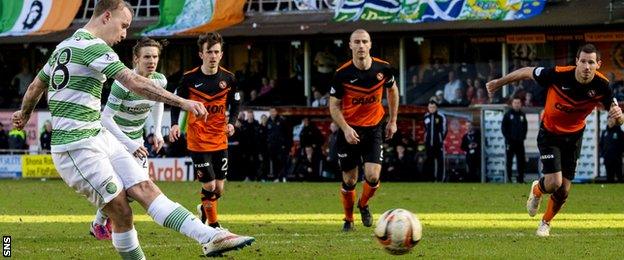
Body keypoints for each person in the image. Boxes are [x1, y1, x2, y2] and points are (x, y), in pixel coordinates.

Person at [11, 1, 253, 258]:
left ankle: (212, 236)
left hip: (98, 135)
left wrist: (24, 114)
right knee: (121, 210)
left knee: (145, 188)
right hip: (75, 145)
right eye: (123, 25)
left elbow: (36, 86)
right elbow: (132, 81)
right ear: (106, 17)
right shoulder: (94, 47)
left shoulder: (65, 46)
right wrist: (183, 101)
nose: (125, 34)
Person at [486, 43, 624, 237]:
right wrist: (498, 82)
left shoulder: (603, 86)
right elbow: (527, 71)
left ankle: (545, 223)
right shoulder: (558, 74)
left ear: (598, 64)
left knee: (564, 190)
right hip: (550, 133)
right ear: (576, 61)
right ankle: (537, 190)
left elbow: (618, 117)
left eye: (591, 62)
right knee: (553, 183)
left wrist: (619, 115)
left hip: (574, 137)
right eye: (583, 61)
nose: (586, 67)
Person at [88, 37, 167, 240]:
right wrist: (129, 144)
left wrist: (157, 131)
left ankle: (100, 221)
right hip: (115, 141)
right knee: (122, 187)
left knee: (136, 189)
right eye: (147, 56)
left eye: (155, 57)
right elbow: (105, 118)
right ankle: (98, 223)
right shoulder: (122, 85)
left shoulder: (160, 80)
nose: (152, 61)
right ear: (136, 59)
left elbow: (159, 102)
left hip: (136, 141)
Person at [169, 32, 241, 230]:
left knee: (219, 188)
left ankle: (204, 207)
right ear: (201, 54)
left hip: (220, 138)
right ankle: (214, 225)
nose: (213, 56)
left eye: (216, 52)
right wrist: (175, 123)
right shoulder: (189, 78)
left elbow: (236, 104)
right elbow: (175, 103)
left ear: (221, 54)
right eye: (209, 51)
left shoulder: (229, 78)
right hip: (198, 140)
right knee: (209, 186)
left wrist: (232, 122)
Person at [329, 29, 399, 231]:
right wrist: (346, 128)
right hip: (350, 130)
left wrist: (393, 120)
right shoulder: (342, 74)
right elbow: (333, 106)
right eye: (357, 42)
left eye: (364, 41)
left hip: (374, 128)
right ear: (350, 45)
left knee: (373, 176)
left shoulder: (383, 68)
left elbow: (392, 90)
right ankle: (348, 220)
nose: (361, 45)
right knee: (349, 179)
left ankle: (363, 204)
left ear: (370, 44)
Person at [501, 96, 528, 183]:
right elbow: (503, 128)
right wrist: (508, 138)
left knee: (521, 161)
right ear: (512, 104)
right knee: (509, 161)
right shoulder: (508, 115)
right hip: (510, 142)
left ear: (521, 104)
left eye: (518, 103)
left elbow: (525, 127)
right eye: (515, 103)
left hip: (520, 142)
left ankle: (520, 179)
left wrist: (523, 137)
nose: (517, 105)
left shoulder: (522, 115)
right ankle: (509, 178)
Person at [423, 100, 447, 182]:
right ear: (428, 108)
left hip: (438, 143)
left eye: (433, 107)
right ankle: (431, 179)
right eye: (430, 107)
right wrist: (426, 140)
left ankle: (440, 179)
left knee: (440, 161)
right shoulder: (426, 116)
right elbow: (425, 129)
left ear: (436, 108)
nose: (432, 109)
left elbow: (444, 129)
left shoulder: (441, 116)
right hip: (429, 143)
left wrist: (440, 139)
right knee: (430, 161)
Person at [599, 116, 624, 183]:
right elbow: (601, 144)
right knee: (609, 177)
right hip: (607, 158)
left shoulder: (619, 132)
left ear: (615, 121)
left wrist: (620, 153)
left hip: (617, 158)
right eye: (609, 120)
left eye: (612, 120)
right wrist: (603, 153)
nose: (610, 122)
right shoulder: (604, 132)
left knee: (619, 176)